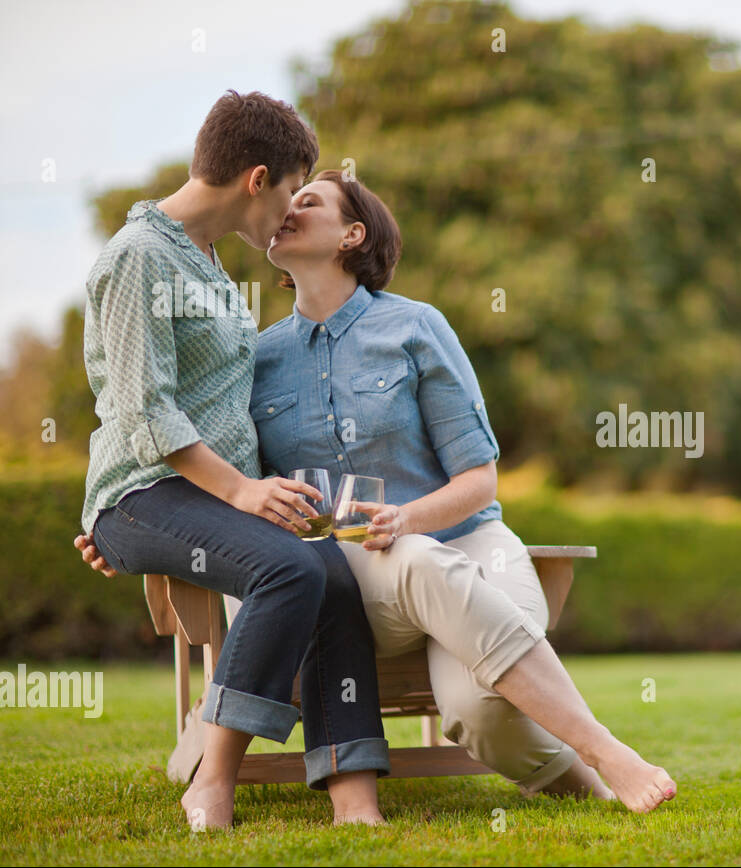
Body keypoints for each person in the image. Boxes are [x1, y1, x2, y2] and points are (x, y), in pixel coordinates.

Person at [228, 168, 676, 813]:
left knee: (477, 714)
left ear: (352, 234)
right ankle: (609, 751)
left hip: (473, 545)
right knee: (407, 557)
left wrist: (408, 516)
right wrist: (132, 523)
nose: (287, 210)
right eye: (286, 202)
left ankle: (589, 787)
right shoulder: (259, 358)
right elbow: (223, 471)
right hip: (359, 584)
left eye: (309, 201)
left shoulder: (415, 327)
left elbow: (479, 478)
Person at [73, 91, 390, 829]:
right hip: (143, 494)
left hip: (207, 500)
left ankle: (354, 792)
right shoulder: (138, 258)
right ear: (256, 179)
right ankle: (213, 781)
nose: (287, 213)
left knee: (331, 572)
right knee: (289, 568)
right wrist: (243, 494)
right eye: (287, 191)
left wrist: (256, 493)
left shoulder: (208, 263)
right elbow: (146, 411)